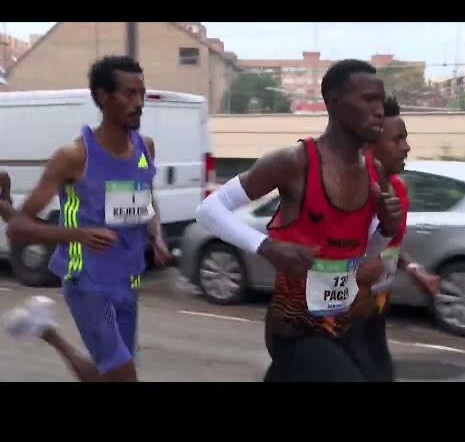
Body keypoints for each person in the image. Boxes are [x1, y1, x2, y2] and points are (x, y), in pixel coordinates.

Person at [196, 59, 403, 382]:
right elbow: (210, 209)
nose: (379, 110)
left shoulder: (376, 173)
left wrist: (386, 230)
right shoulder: (295, 163)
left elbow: (363, 254)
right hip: (294, 329)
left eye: (380, 99)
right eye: (368, 100)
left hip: (344, 322)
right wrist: (268, 247)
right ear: (334, 102)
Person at [2, 55, 172, 382]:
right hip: (86, 280)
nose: (139, 103)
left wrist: (156, 235)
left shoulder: (145, 147)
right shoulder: (74, 156)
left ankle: (46, 330)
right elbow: (20, 228)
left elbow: (145, 200)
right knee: (124, 376)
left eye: (142, 93)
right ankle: (49, 332)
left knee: (111, 374)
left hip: (129, 277)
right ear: (103, 97)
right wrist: (77, 235)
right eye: (129, 94)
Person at [339, 96, 440, 382]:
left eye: (405, 138)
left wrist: (411, 268)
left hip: (376, 305)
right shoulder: (346, 194)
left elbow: (388, 245)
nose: (406, 147)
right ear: (369, 147)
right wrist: (353, 274)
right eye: (398, 140)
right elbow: (311, 254)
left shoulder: (397, 190)